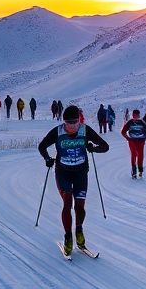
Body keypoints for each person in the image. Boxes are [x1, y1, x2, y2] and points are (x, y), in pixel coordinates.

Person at [37, 105, 109, 256]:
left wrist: (92, 148)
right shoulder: (57, 131)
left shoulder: (85, 130)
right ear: (64, 122)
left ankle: (79, 231)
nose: (72, 125)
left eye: (75, 121)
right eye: (69, 122)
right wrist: (47, 158)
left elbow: (105, 146)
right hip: (63, 172)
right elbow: (42, 146)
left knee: (80, 206)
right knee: (67, 202)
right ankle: (68, 237)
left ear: (79, 120)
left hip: (80, 172)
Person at [121, 109, 146, 178]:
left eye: (137, 115)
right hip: (132, 141)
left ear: (139, 115)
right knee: (134, 154)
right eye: (134, 115)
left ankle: (140, 171)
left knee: (140, 155)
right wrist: (128, 138)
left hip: (141, 141)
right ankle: (134, 171)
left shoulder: (142, 122)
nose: (135, 117)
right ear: (132, 115)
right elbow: (123, 132)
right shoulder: (130, 122)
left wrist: (144, 137)